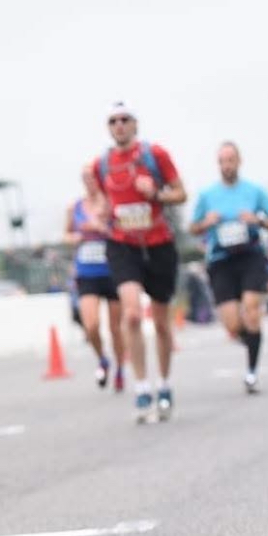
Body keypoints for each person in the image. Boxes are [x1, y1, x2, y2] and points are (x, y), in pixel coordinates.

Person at [89, 103, 186, 423]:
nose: (119, 125)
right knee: (131, 314)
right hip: (122, 245)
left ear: (135, 124)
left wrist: (155, 194)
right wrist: (101, 212)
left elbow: (181, 193)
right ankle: (142, 386)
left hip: (158, 244)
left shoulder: (154, 155)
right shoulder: (101, 164)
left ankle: (165, 384)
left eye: (124, 120)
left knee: (160, 322)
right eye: (113, 121)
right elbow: (101, 202)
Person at [189, 143, 268, 393]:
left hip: (250, 255)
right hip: (221, 260)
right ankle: (253, 340)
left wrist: (257, 220)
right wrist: (206, 223)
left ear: (239, 161)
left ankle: (251, 372)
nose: (227, 165)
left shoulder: (254, 191)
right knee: (232, 323)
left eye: (231, 160)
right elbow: (193, 227)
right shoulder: (207, 195)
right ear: (218, 164)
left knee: (251, 309)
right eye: (222, 161)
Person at [65, 173, 125, 391]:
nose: (90, 182)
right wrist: (77, 236)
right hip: (86, 273)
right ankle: (102, 359)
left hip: (112, 271)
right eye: (85, 178)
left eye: (93, 177)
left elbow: (124, 231)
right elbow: (66, 234)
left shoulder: (112, 204)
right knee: (91, 325)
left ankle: (120, 368)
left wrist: (103, 228)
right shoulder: (75, 207)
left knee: (115, 328)